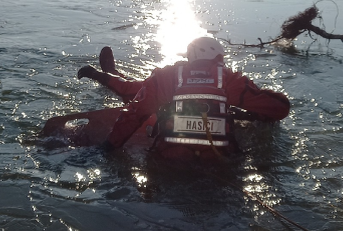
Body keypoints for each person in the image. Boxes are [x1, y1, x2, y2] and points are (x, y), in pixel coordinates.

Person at [77, 36, 291, 155]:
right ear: (217, 57)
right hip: (220, 162)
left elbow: (134, 112)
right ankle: (109, 74)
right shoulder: (229, 79)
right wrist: (256, 113)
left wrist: (109, 147)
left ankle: (108, 75)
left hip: (170, 156)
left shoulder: (167, 76)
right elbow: (280, 108)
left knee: (131, 91)